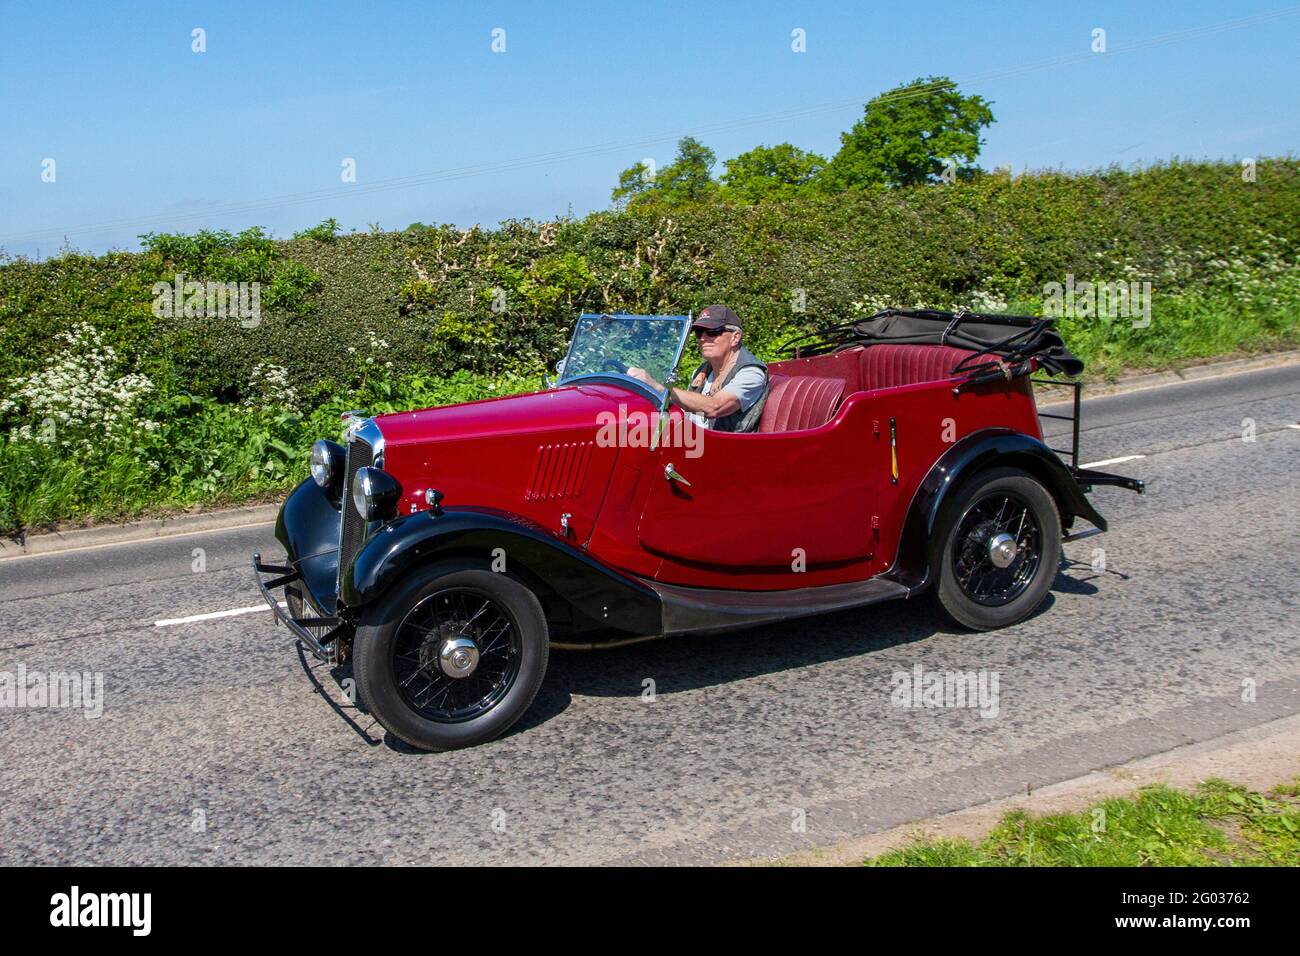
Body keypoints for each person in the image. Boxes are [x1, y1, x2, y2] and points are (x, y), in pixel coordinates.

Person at [627, 305, 769, 433]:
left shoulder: (751, 372)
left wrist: (658, 387)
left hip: (729, 453)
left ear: (735, 337)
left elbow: (715, 407)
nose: (702, 338)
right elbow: (687, 411)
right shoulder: (702, 372)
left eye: (712, 332)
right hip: (696, 444)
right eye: (699, 332)